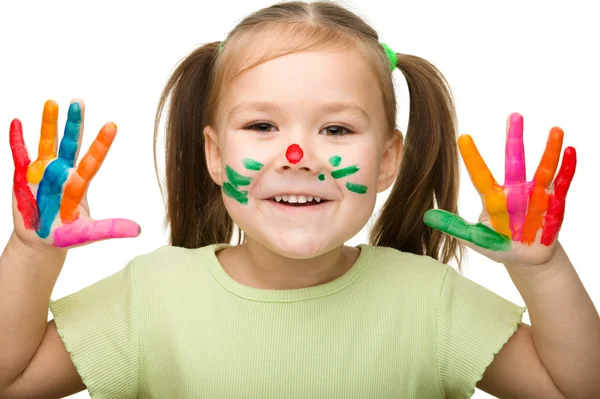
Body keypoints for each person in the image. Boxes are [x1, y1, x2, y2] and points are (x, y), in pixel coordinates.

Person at [1, 1, 599, 398]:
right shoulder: (151, 296)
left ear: (388, 157)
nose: (299, 155)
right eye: (262, 126)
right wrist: (33, 252)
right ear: (214, 155)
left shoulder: (428, 298)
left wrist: (542, 269)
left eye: (336, 130)